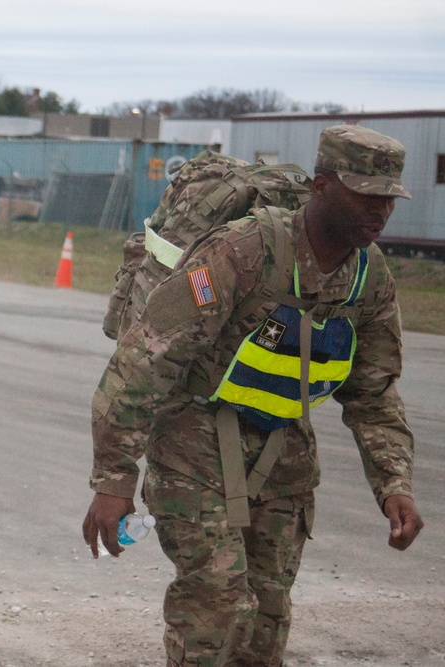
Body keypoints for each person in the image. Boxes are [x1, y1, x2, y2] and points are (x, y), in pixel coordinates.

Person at [81, 125, 424, 666]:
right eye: (365, 193)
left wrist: (394, 485)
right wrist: (114, 479)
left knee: (266, 619)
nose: (379, 211)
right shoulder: (243, 251)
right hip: (192, 441)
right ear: (322, 185)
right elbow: (143, 362)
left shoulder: (368, 278)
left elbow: (374, 396)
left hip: (282, 452)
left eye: (388, 198)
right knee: (216, 600)